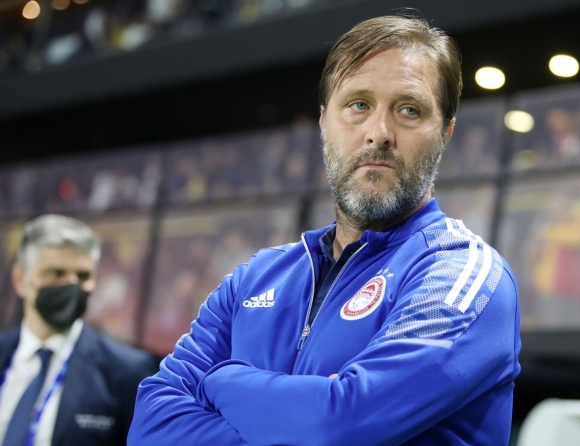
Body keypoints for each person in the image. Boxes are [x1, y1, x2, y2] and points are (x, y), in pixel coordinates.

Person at [129, 15, 521, 445]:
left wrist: (219, 381)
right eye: (358, 105)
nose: (379, 133)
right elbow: (151, 426)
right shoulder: (255, 278)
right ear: (323, 123)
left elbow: (341, 425)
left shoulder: (462, 275)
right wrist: (307, 412)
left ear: (445, 133)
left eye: (409, 110)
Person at [0, 215, 157, 446]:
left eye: (83, 276)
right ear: (20, 278)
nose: (71, 285)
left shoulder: (127, 371)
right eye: (55, 273)